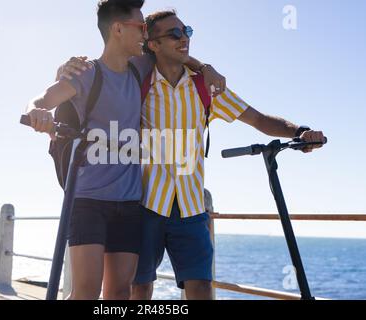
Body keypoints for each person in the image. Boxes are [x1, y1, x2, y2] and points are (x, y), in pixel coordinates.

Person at [60, 9, 326, 300]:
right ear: (153, 44)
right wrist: (70, 68)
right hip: (145, 204)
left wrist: (300, 131)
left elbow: (259, 119)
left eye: (186, 31)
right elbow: (107, 70)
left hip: (191, 208)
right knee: (140, 288)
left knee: (200, 287)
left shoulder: (206, 87)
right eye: (174, 34)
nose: (184, 38)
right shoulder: (138, 80)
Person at [25, 0, 224, 300]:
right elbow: (41, 99)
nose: (146, 34)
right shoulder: (85, 73)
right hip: (88, 199)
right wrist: (37, 113)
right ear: (117, 29)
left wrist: (205, 68)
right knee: (86, 293)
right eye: (141, 28)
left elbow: (174, 53)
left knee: (118, 293)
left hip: (129, 203)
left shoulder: (140, 66)